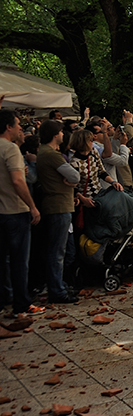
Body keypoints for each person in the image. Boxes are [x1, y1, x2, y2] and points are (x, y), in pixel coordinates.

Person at [0, 110, 43, 316]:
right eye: (17, 124)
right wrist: (32, 206)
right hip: (15, 210)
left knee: (3, 261)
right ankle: (21, 305)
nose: (20, 128)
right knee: (19, 261)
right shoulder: (10, 149)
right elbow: (18, 181)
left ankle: (3, 302)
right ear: (8, 127)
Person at [36, 120, 80, 304]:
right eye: (61, 132)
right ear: (55, 135)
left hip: (58, 204)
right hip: (59, 205)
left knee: (60, 250)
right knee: (58, 251)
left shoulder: (43, 153)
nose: (63, 135)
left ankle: (58, 284)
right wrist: (72, 182)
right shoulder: (51, 155)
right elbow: (75, 175)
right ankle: (57, 290)